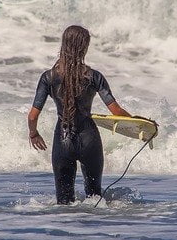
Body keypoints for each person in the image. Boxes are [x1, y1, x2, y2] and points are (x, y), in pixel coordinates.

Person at [27, 25, 132, 204]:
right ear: (84, 47)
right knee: (95, 199)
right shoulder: (94, 76)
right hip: (90, 140)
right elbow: (116, 111)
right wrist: (138, 123)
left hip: (63, 140)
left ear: (64, 45)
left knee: (63, 202)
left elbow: (32, 116)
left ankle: (68, 230)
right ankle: (90, 231)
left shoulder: (48, 77)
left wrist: (34, 133)